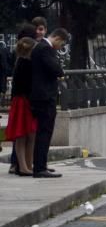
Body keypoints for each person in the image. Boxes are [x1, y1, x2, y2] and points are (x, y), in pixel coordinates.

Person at [30, 28, 69, 178]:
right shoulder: (46, 49)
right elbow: (56, 69)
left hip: (40, 96)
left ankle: (41, 164)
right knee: (44, 132)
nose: (60, 47)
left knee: (43, 131)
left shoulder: (39, 47)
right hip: (45, 97)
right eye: (62, 44)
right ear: (58, 38)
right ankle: (39, 168)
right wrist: (61, 71)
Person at [7, 37, 37, 176]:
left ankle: (27, 165)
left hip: (22, 101)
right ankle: (24, 166)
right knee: (23, 135)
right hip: (23, 101)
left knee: (29, 135)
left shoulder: (21, 62)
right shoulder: (25, 63)